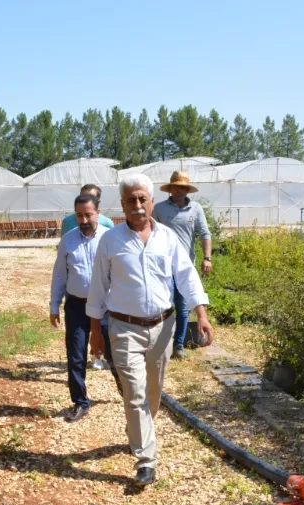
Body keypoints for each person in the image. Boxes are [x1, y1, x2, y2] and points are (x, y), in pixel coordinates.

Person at [87, 173, 214, 486]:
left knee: (153, 393)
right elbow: (98, 288)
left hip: (162, 327)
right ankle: (146, 460)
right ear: (123, 205)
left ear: (152, 202)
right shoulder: (110, 240)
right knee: (134, 392)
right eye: (131, 200)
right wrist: (95, 331)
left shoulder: (167, 238)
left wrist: (202, 313)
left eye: (143, 198)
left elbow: (186, 276)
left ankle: (139, 431)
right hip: (123, 327)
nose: (138, 205)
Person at [50, 194, 115, 423]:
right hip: (77, 306)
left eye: (88, 214)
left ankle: (129, 397)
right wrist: (54, 305)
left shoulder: (110, 238)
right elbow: (59, 275)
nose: (84, 219)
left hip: (106, 307)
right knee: (75, 355)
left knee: (113, 354)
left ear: (98, 212)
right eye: (79, 215)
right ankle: (80, 402)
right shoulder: (68, 240)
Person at [153, 171, 212, 359]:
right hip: (162, 267)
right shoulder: (159, 209)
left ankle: (178, 345)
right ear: (170, 188)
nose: (180, 190)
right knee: (162, 306)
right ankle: (161, 343)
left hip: (185, 267)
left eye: (184, 187)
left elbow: (204, 233)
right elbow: (149, 232)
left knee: (183, 306)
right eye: (177, 186)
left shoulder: (195, 209)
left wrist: (207, 257)